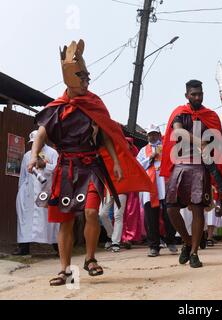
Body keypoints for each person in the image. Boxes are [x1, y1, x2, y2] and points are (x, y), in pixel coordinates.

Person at [29, 39, 151, 285]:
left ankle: (90, 258)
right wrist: (34, 155)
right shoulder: (57, 108)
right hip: (66, 169)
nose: (86, 83)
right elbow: (42, 134)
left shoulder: (93, 104)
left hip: (91, 166)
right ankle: (64, 269)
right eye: (82, 78)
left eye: (87, 78)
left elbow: (106, 135)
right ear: (72, 80)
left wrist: (116, 162)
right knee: (66, 218)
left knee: (92, 212)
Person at [160, 80, 222, 268]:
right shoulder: (180, 113)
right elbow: (177, 132)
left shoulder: (210, 116)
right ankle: (187, 240)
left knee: (197, 208)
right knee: (171, 208)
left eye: (200, 94)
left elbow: (217, 139)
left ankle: (194, 253)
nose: (197, 97)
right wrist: (199, 141)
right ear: (187, 95)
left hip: (201, 165)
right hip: (181, 163)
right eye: (193, 94)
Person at [14, 130, 59, 256]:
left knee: (51, 221)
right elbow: (22, 176)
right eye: (33, 143)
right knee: (25, 220)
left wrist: (45, 166)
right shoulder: (27, 155)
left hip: (46, 191)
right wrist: (21, 192)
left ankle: (58, 248)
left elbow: (58, 169)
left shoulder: (52, 153)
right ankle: (23, 248)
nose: (35, 144)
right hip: (28, 193)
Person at [137, 124, 177, 257]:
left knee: (169, 215)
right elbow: (138, 167)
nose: (152, 136)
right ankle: (154, 246)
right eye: (150, 134)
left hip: (165, 185)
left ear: (159, 135)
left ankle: (171, 241)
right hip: (150, 188)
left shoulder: (167, 148)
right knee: (151, 218)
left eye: (154, 134)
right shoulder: (143, 150)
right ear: (147, 136)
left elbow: (173, 163)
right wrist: (150, 158)